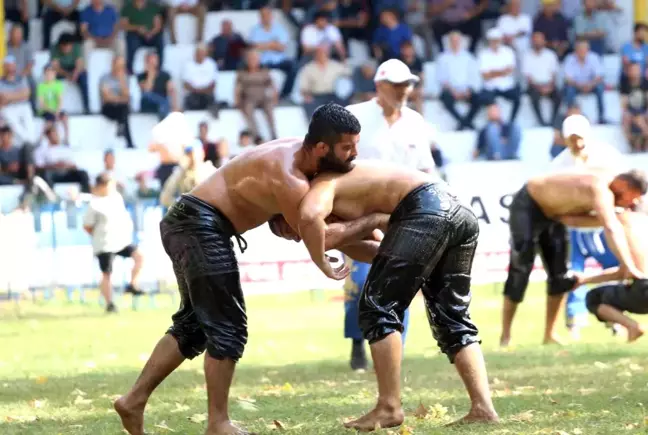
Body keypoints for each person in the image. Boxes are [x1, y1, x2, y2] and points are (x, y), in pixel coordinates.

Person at [114, 104, 390, 435]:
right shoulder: (289, 176)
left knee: (194, 325)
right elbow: (325, 238)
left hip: (190, 222)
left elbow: (328, 230)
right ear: (321, 148)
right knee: (227, 326)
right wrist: (380, 229)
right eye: (347, 148)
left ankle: (133, 401)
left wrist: (387, 248)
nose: (354, 155)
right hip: (198, 225)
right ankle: (217, 423)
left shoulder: (297, 156)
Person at [296, 161, 499, 431]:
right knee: (452, 315)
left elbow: (319, 229)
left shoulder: (320, 188)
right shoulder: (350, 191)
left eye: (288, 230)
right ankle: (483, 408)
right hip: (456, 209)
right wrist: (367, 226)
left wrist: (373, 220)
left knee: (377, 306)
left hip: (427, 207)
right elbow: (381, 251)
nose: (296, 236)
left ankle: (389, 407)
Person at [342, 58, 438, 371]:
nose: (404, 90)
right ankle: (357, 343)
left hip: (405, 213)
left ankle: (395, 348)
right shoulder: (354, 117)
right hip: (360, 211)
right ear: (379, 86)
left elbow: (427, 168)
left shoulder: (415, 121)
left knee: (401, 281)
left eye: (407, 84)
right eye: (397, 85)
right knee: (359, 280)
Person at [500, 167, 648, 347]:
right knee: (520, 270)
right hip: (528, 204)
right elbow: (610, 227)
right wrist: (628, 266)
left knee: (560, 275)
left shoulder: (610, 198)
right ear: (623, 184)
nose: (628, 204)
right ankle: (505, 336)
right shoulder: (600, 188)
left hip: (555, 216)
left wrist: (614, 216)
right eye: (630, 198)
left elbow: (572, 220)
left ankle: (550, 334)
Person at [550, 114, 627, 340]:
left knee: (615, 270)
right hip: (575, 229)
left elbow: (623, 185)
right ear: (565, 139)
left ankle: (616, 318)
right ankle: (574, 323)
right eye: (572, 139)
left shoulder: (608, 157)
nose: (578, 143)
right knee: (573, 274)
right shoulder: (558, 166)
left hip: (604, 225)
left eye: (580, 138)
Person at [576, 211, 648, 342]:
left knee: (593, 298)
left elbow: (625, 272)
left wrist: (585, 280)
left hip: (643, 290)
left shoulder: (623, 223)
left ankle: (632, 326)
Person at [83, 173, 145, 313]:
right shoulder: (94, 204)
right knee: (107, 273)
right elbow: (87, 225)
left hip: (121, 240)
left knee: (139, 257)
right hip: (104, 243)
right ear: (103, 186)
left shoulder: (117, 198)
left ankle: (132, 284)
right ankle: (110, 303)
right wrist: (97, 234)